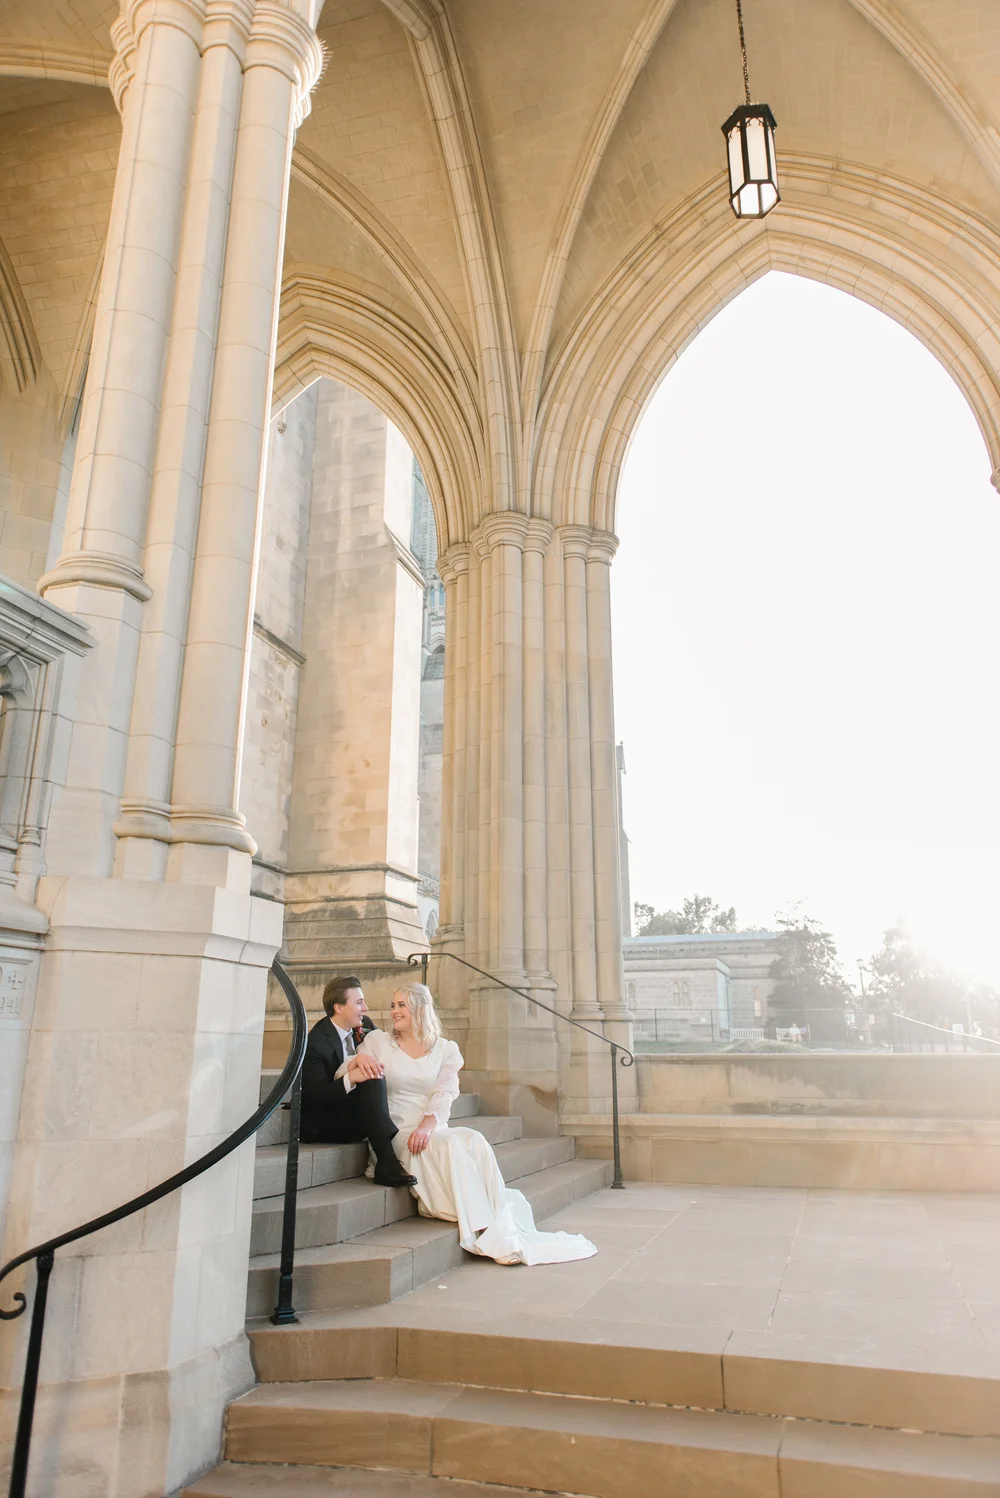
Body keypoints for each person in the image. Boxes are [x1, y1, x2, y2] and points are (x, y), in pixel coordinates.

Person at [358, 982, 598, 1266]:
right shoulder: (378, 1042)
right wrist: (356, 1060)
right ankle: (482, 1224)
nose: (395, 1011)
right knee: (449, 1146)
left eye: (402, 1005)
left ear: (420, 1009)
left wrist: (427, 1125)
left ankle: (492, 1219)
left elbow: (445, 1091)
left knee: (473, 1139)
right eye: (393, 1005)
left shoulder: (445, 1049)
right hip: (396, 1131)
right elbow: (346, 1069)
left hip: (430, 1126)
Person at [299, 974, 417, 1189]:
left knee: (374, 1073)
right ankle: (387, 1162)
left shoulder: (365, 1026)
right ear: (339, 1007)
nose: (366, 1008)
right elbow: (314, 1097)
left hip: (360, 1109)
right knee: (371, 1077)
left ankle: (388, 1157)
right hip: (326, 1122)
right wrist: (351, 1077)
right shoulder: (315, 1043)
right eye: (359, 1002)